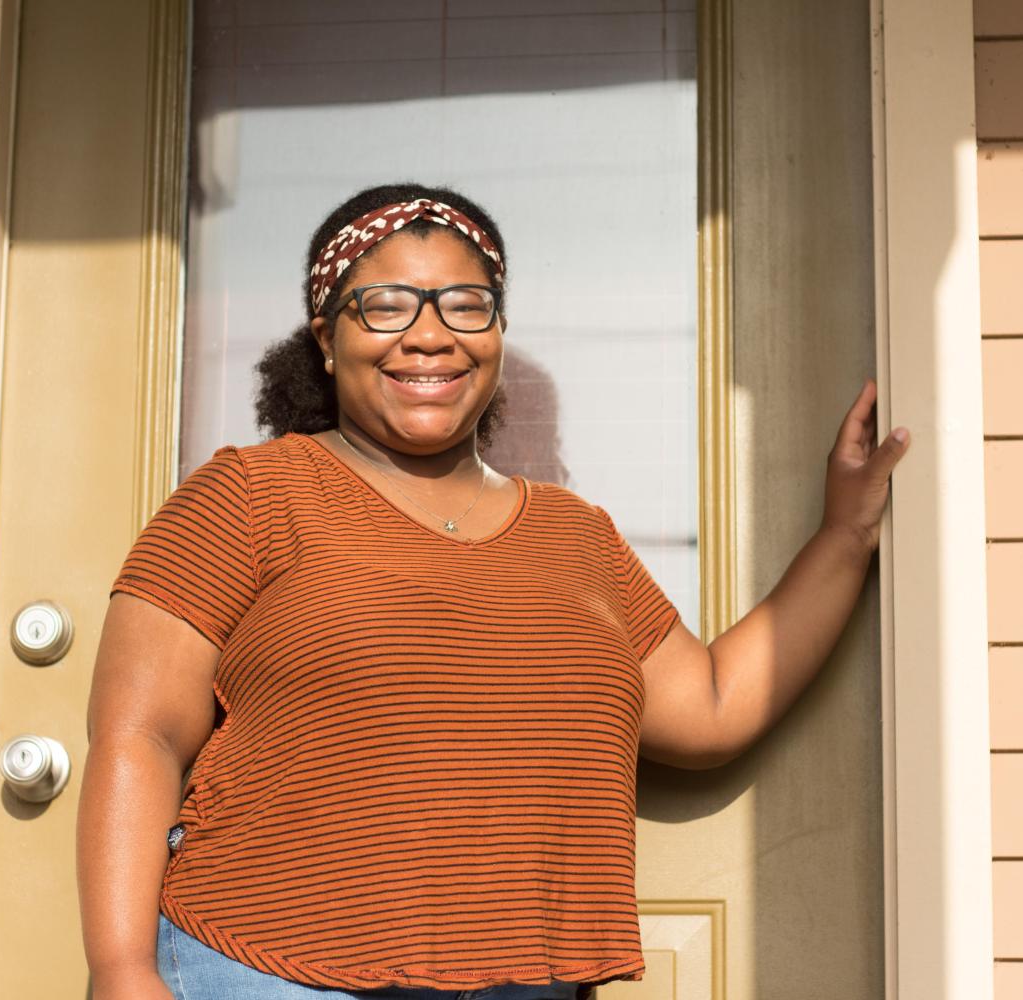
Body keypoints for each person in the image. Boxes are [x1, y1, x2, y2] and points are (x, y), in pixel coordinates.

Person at [76, 183, 910, 1000]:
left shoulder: (576, 534)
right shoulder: (252, 492)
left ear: (498, 332)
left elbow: (715, 705)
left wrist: (845, 537)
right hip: (264, 971)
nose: (430, 335)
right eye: (387, 305)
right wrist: (121, 970)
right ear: (327, 339)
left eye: (464, 305)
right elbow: (139, 734)